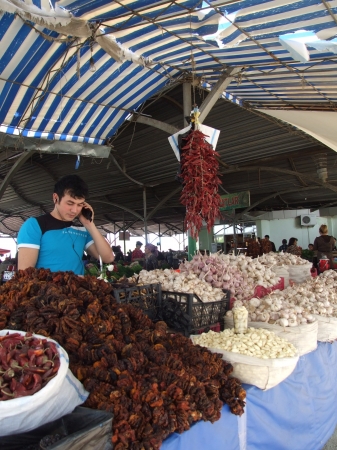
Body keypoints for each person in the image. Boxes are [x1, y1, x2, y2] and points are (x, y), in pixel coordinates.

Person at [17, 175, 114, 275]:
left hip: (78, 289)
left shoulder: (82, 229)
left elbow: (108, 258)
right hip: (47, 289)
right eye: (70, 203)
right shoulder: (35, 225)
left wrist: (89, 224)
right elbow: (24, 274)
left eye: (80, 204)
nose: (74, 210)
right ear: (55, 198)